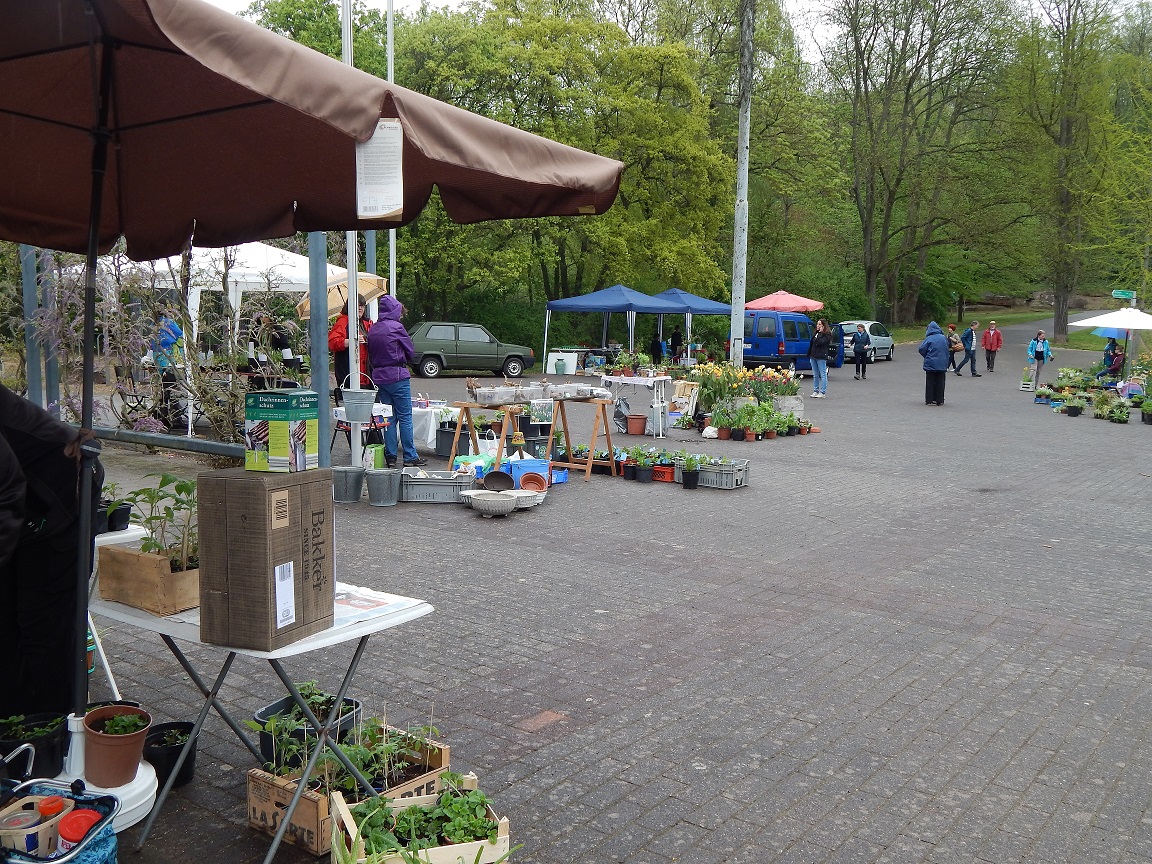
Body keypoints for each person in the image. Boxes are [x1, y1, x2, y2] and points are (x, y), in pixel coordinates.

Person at [0, 383, 103, 718]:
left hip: (60, 495)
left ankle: (56, 736)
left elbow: (7, 487)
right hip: (22, 505)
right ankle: (15, 731)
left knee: (46, 629)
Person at [367, 295, 427, 468]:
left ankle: (391, 456)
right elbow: (410, 351)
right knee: (405, 417)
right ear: (395, 310)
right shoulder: (397, 328)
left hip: (379, 377)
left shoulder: (374, 329)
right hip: (398, 375)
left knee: (389, 418)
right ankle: (409, 456)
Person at [328, 294, 372, 393]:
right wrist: (350, 341)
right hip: (348, 372)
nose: (360, 308)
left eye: (362, 305)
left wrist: (366, 340)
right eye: (358, 305)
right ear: (351, 306)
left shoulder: (368, 323)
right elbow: (332, 343)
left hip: (367, 374)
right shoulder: (342, 322)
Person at [151, 310, 186, 428]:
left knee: (164, 387)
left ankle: (163, 414)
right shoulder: (168, 322)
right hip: (168, 356)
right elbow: (180, 333)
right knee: (171, 387)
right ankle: (175, 416)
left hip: (157, 356)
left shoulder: (153, 325)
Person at [919, 321, 950, 406]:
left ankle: (929, 399)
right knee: (940, 381)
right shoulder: (943, 338)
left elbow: (921, 349)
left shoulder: (929, 338)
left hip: (931, 363)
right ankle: (939, 400)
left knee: (930, 381)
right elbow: (947, 348)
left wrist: (927, 355)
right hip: (942, 363)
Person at [806, 319, 832, 398]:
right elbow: (812, 344)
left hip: (821, 356)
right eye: (817, 324)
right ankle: (815, 390)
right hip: (813, 356)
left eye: (820, 324)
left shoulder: (827, 335)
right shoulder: (816, 334)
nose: (818, 326)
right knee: (815, 374)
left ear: (824, 326)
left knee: (823, 374)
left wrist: (820, 333)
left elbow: (820, 342)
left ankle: (822, 392)